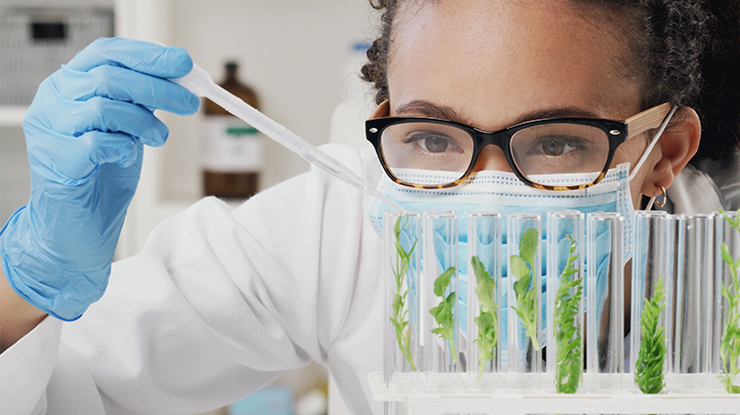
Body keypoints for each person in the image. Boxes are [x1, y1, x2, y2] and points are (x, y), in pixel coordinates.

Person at [0, 0, 738, 414]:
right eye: (433, 135)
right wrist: (28, 281)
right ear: (386, 120)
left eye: (553, 144)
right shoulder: (342, 221)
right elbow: (74, 385)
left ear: (664, 151)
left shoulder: (721, 294)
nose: (481, 194)